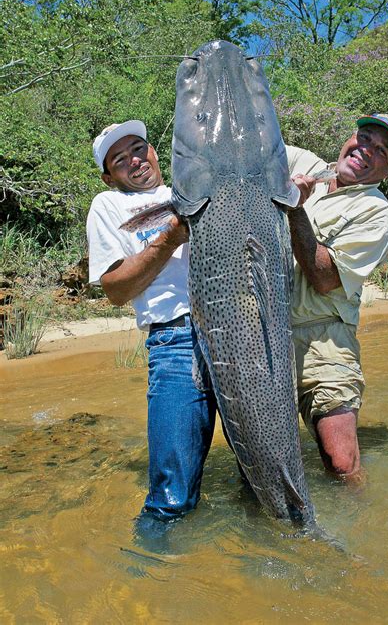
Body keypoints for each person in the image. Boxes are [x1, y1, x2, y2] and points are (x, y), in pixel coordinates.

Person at [87, 120, 216, 523]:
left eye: (139, 149)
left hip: (236, 332)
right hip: (176, 341)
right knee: (170, 496)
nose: (135, 161)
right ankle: (150, 570)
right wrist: (170, 238)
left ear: (155, 151)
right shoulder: (108, 206)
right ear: (110, 176)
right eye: (120, 159)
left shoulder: (193, 188)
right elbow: (114, 289)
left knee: (259, 472)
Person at [287, 113, 388, 482]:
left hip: (324, 337)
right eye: (365, 137)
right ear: (350, 138)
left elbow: (325, 278)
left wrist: (294, 208)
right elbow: (255, 148)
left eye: (382, 150)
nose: (366, 150)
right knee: (262, 460)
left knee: (341, 464)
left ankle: (356, 530)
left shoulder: (377, 214)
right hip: (264, 333)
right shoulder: (303, 164)